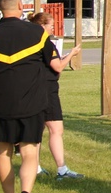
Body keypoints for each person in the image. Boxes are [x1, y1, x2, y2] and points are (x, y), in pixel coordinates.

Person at [0, 0, 59, 193]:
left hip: (1, 103)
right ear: (21, 5)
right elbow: (49, 61)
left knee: (3, 153)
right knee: (29, 152)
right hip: (31, 104)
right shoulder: (37, 33)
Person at [27, 12, 84, 180]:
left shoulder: (32, 44)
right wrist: (72, 55)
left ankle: (35, 168)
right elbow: (57, 67)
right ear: (42, 26)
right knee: (56, 130)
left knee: (37, 131)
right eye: (50, 25)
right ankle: (62, 170)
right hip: (47, 90)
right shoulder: (46, 44)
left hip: (34, 89)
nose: (53, 27)